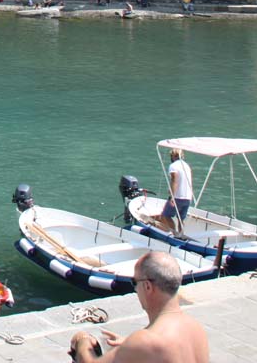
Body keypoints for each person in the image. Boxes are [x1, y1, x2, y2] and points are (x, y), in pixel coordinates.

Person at [68, 251, 208, 363]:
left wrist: (82, 341)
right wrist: (128, 346)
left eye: (134, 282)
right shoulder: (195, 328)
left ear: (147, 286)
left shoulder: (145, 341)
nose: (135, 289)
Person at [152, 149, 192, 236]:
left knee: (166, 215)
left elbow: (174, 179)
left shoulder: (173, 166)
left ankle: (174, 234)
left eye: (171, 156)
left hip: (178, 197)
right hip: (187, 197)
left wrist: (172, 196)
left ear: (174, 156)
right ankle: (181, 234)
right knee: (181, 219)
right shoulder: (186, 166)